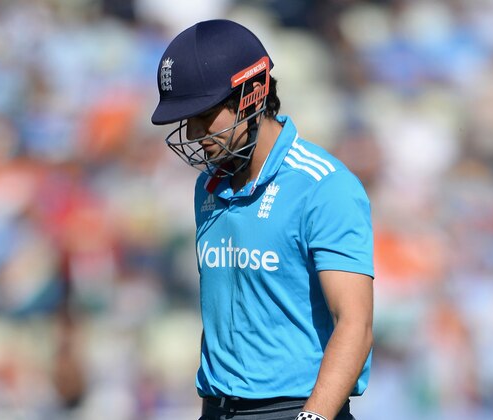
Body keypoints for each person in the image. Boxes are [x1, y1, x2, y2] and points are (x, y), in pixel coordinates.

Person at [151, 19, 374, 420]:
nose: (195, 133)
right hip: (216, 409)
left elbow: (354, 324)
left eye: (204, 115)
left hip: (298, 409)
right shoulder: (207, 187)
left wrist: (314, 417)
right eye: (187, 120)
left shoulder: (323, 186)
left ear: (253, 95)